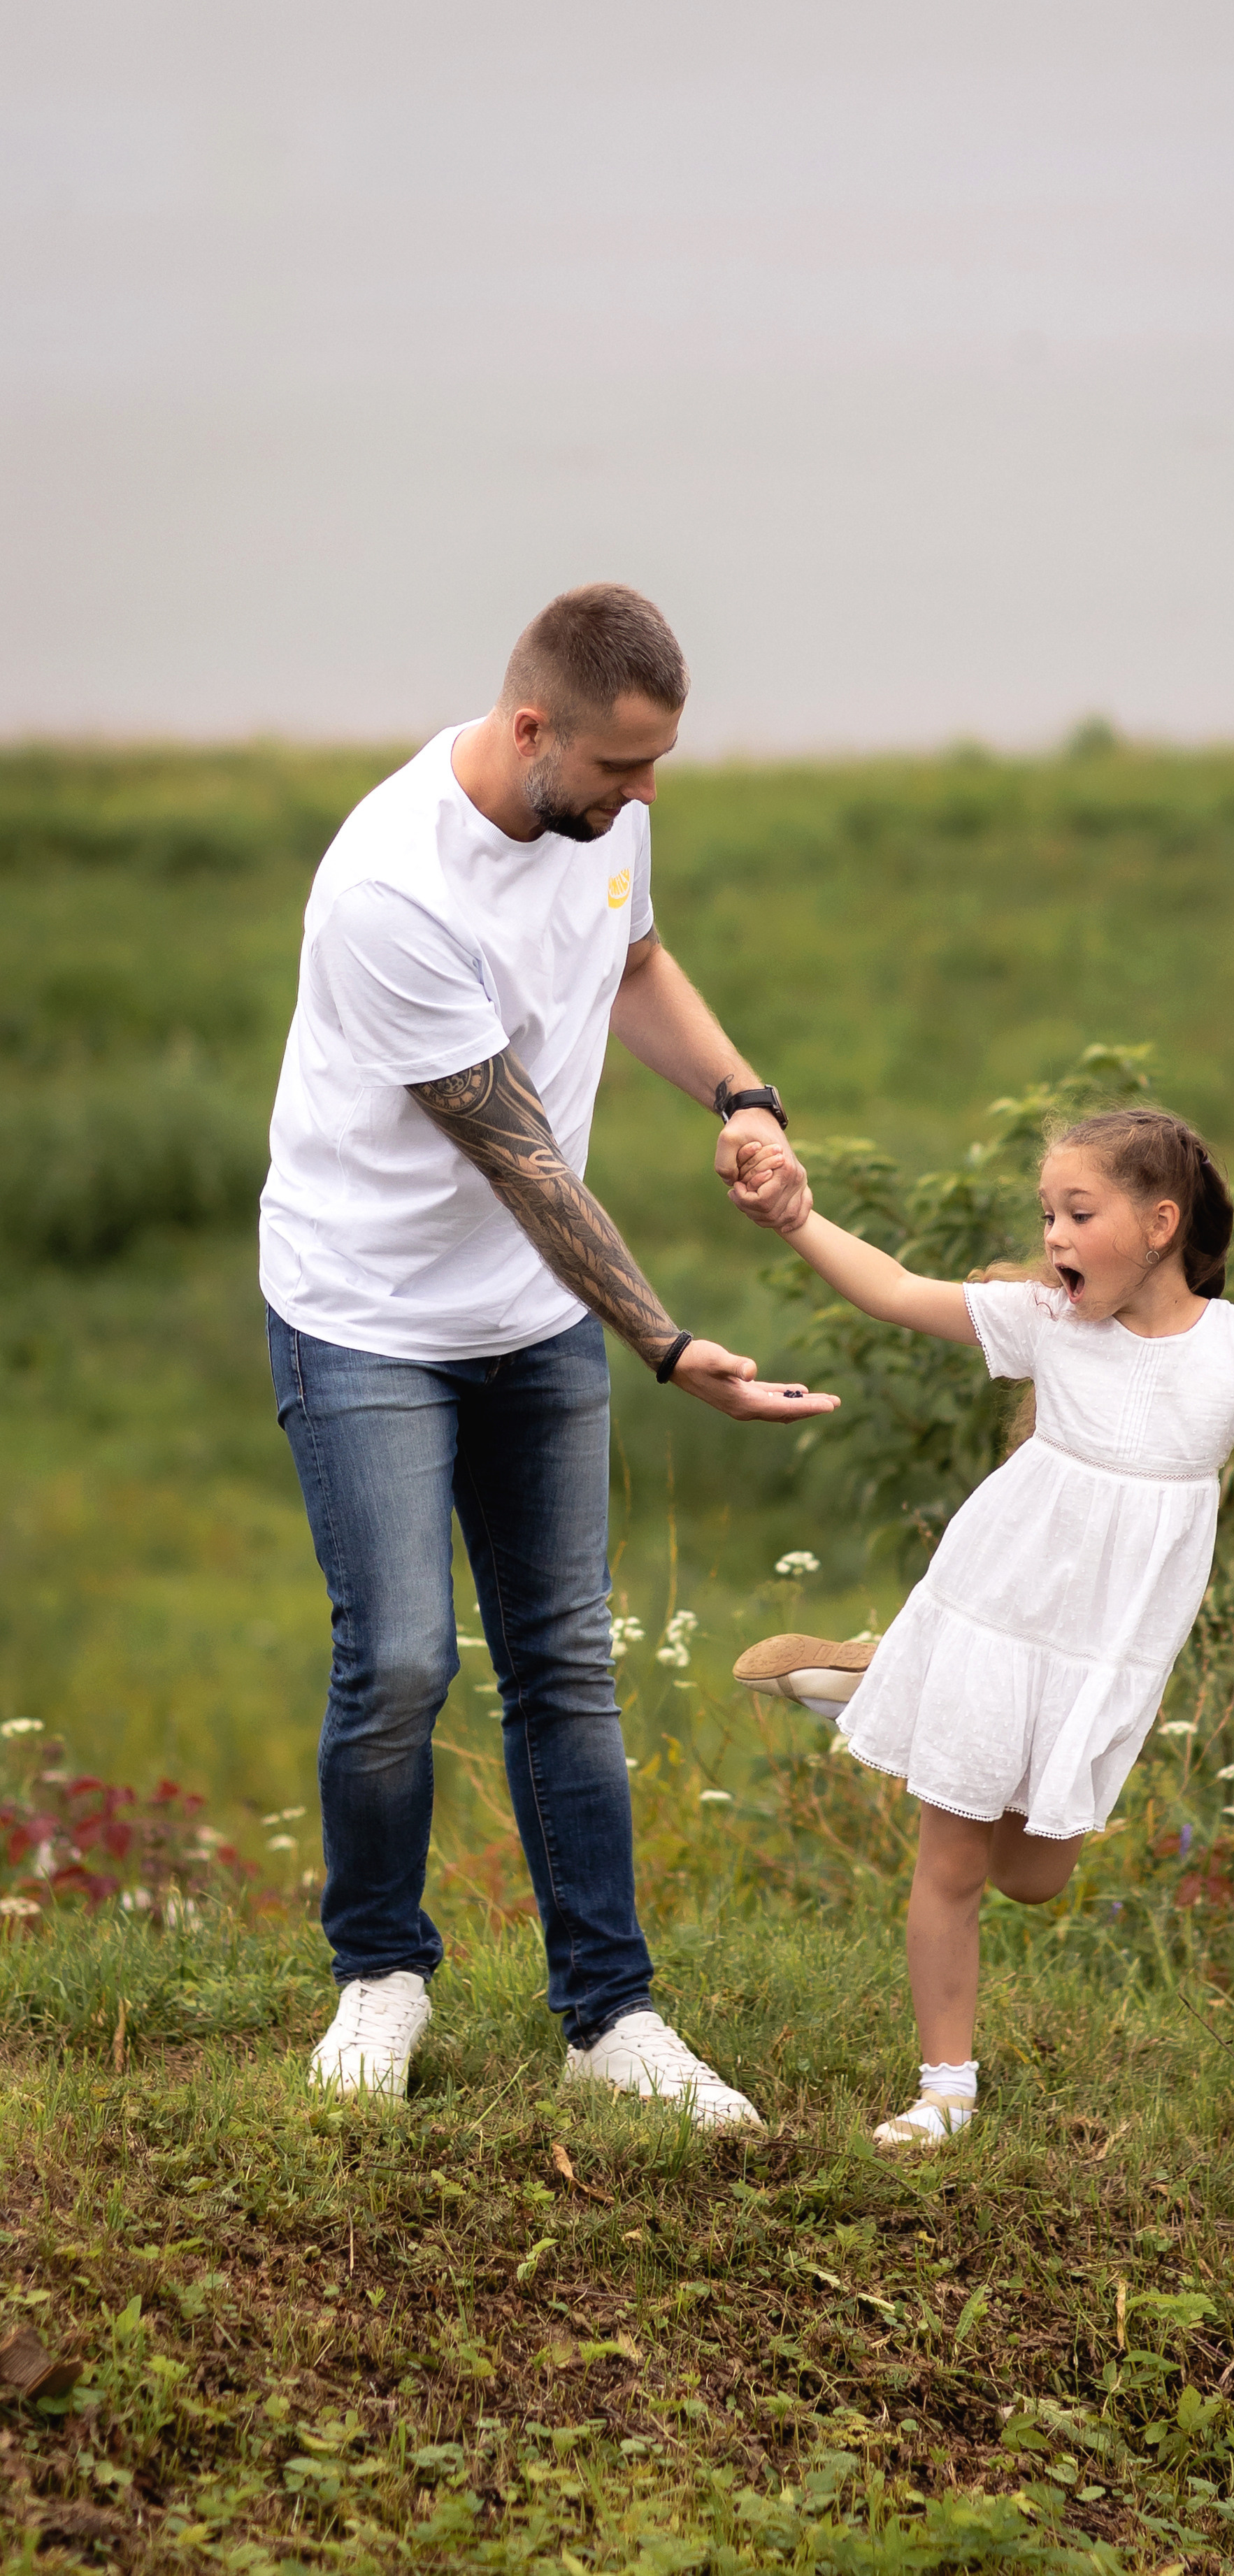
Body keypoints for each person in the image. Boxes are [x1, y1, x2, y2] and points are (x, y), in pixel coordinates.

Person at [259, 582, 835, 2117]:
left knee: (564, 1667)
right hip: (369, 1313)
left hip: (528, 1321)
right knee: (395, 1660)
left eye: (656, 767)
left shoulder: (600, 818)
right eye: (619, 769)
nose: (644, 797)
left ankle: (608, 2017)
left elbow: (633, 962)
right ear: (531, 730)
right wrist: (668, 1344)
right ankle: (380, 1973)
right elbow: (519, 1160)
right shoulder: (390, 889)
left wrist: (742, 1097)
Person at [731, 1109, 1234, 2148]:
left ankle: (880, 1671)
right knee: (953, 1864)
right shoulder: (1048, 1321)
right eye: (1045, 1213)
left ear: (1158, 1223)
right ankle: (944, 2090)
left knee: (1036, 1874)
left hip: (1107, 1652)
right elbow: (897, 1290)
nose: (1052, 1234)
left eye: (1076, 1212)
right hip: (997, 1609)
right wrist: (797, 1219)